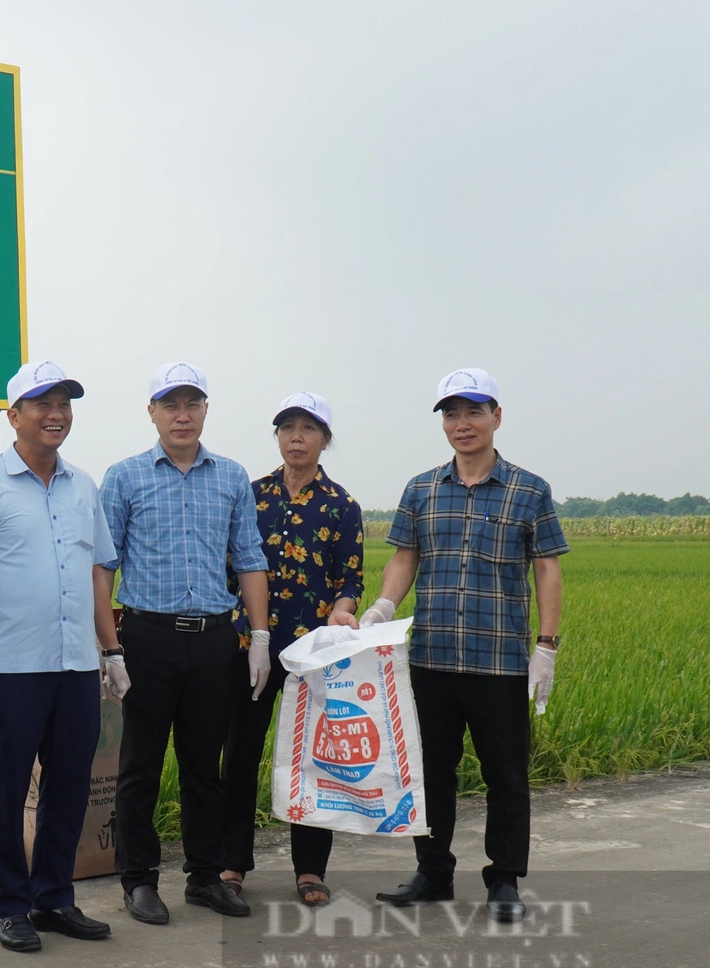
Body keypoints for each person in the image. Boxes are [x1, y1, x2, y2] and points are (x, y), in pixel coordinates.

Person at [359, 369, 566, 922]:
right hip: (430, 658)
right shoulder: (422, 489)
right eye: (451, 414)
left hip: (498, 660)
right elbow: (405, 558)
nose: (462, 423)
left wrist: (546, 644)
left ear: (497, 416)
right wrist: (383, 606)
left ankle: (504, 880)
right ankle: (433, 873)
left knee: (506, 776)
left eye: (473, 411)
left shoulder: (529, 490)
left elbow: (546, 568)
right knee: (430, 774)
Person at [0, 361, 117, 953]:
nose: (56, 414)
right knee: (9, 788)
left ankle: (55, 897)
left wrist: (111, 649)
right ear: (13, 416)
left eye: (65, 402)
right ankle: (11, 905)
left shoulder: (84, 486)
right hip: (12, 667)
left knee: (69, 787)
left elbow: (98, 573)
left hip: (76, 664)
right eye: (42, 404)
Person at [97, 361, 270, 925]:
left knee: (204, 766)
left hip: (216, 638)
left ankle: (203, 876)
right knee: (140, 764)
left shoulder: (231, 476)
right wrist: (110, 647)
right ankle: (139, 879)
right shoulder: (124, 477)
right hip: (148, 636)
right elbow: (103, 566)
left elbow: (248, 558)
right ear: (152, 413)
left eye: (192, 404)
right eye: (171, 405)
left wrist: (260, 636)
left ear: (205, 411)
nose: (182, 415)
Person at [219, 393, 364, 907]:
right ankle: (232, 862)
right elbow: (228, 564)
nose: (296, 437)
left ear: (325, 439)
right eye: (287, 428)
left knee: (312, 758)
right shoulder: (250, 494)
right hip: (248, 646)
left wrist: (344, 608)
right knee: (239, 754)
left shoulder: (342, 505)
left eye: (308, 428)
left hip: (313, 653)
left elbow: (350, 578)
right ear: (277, 437)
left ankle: (310, 869)